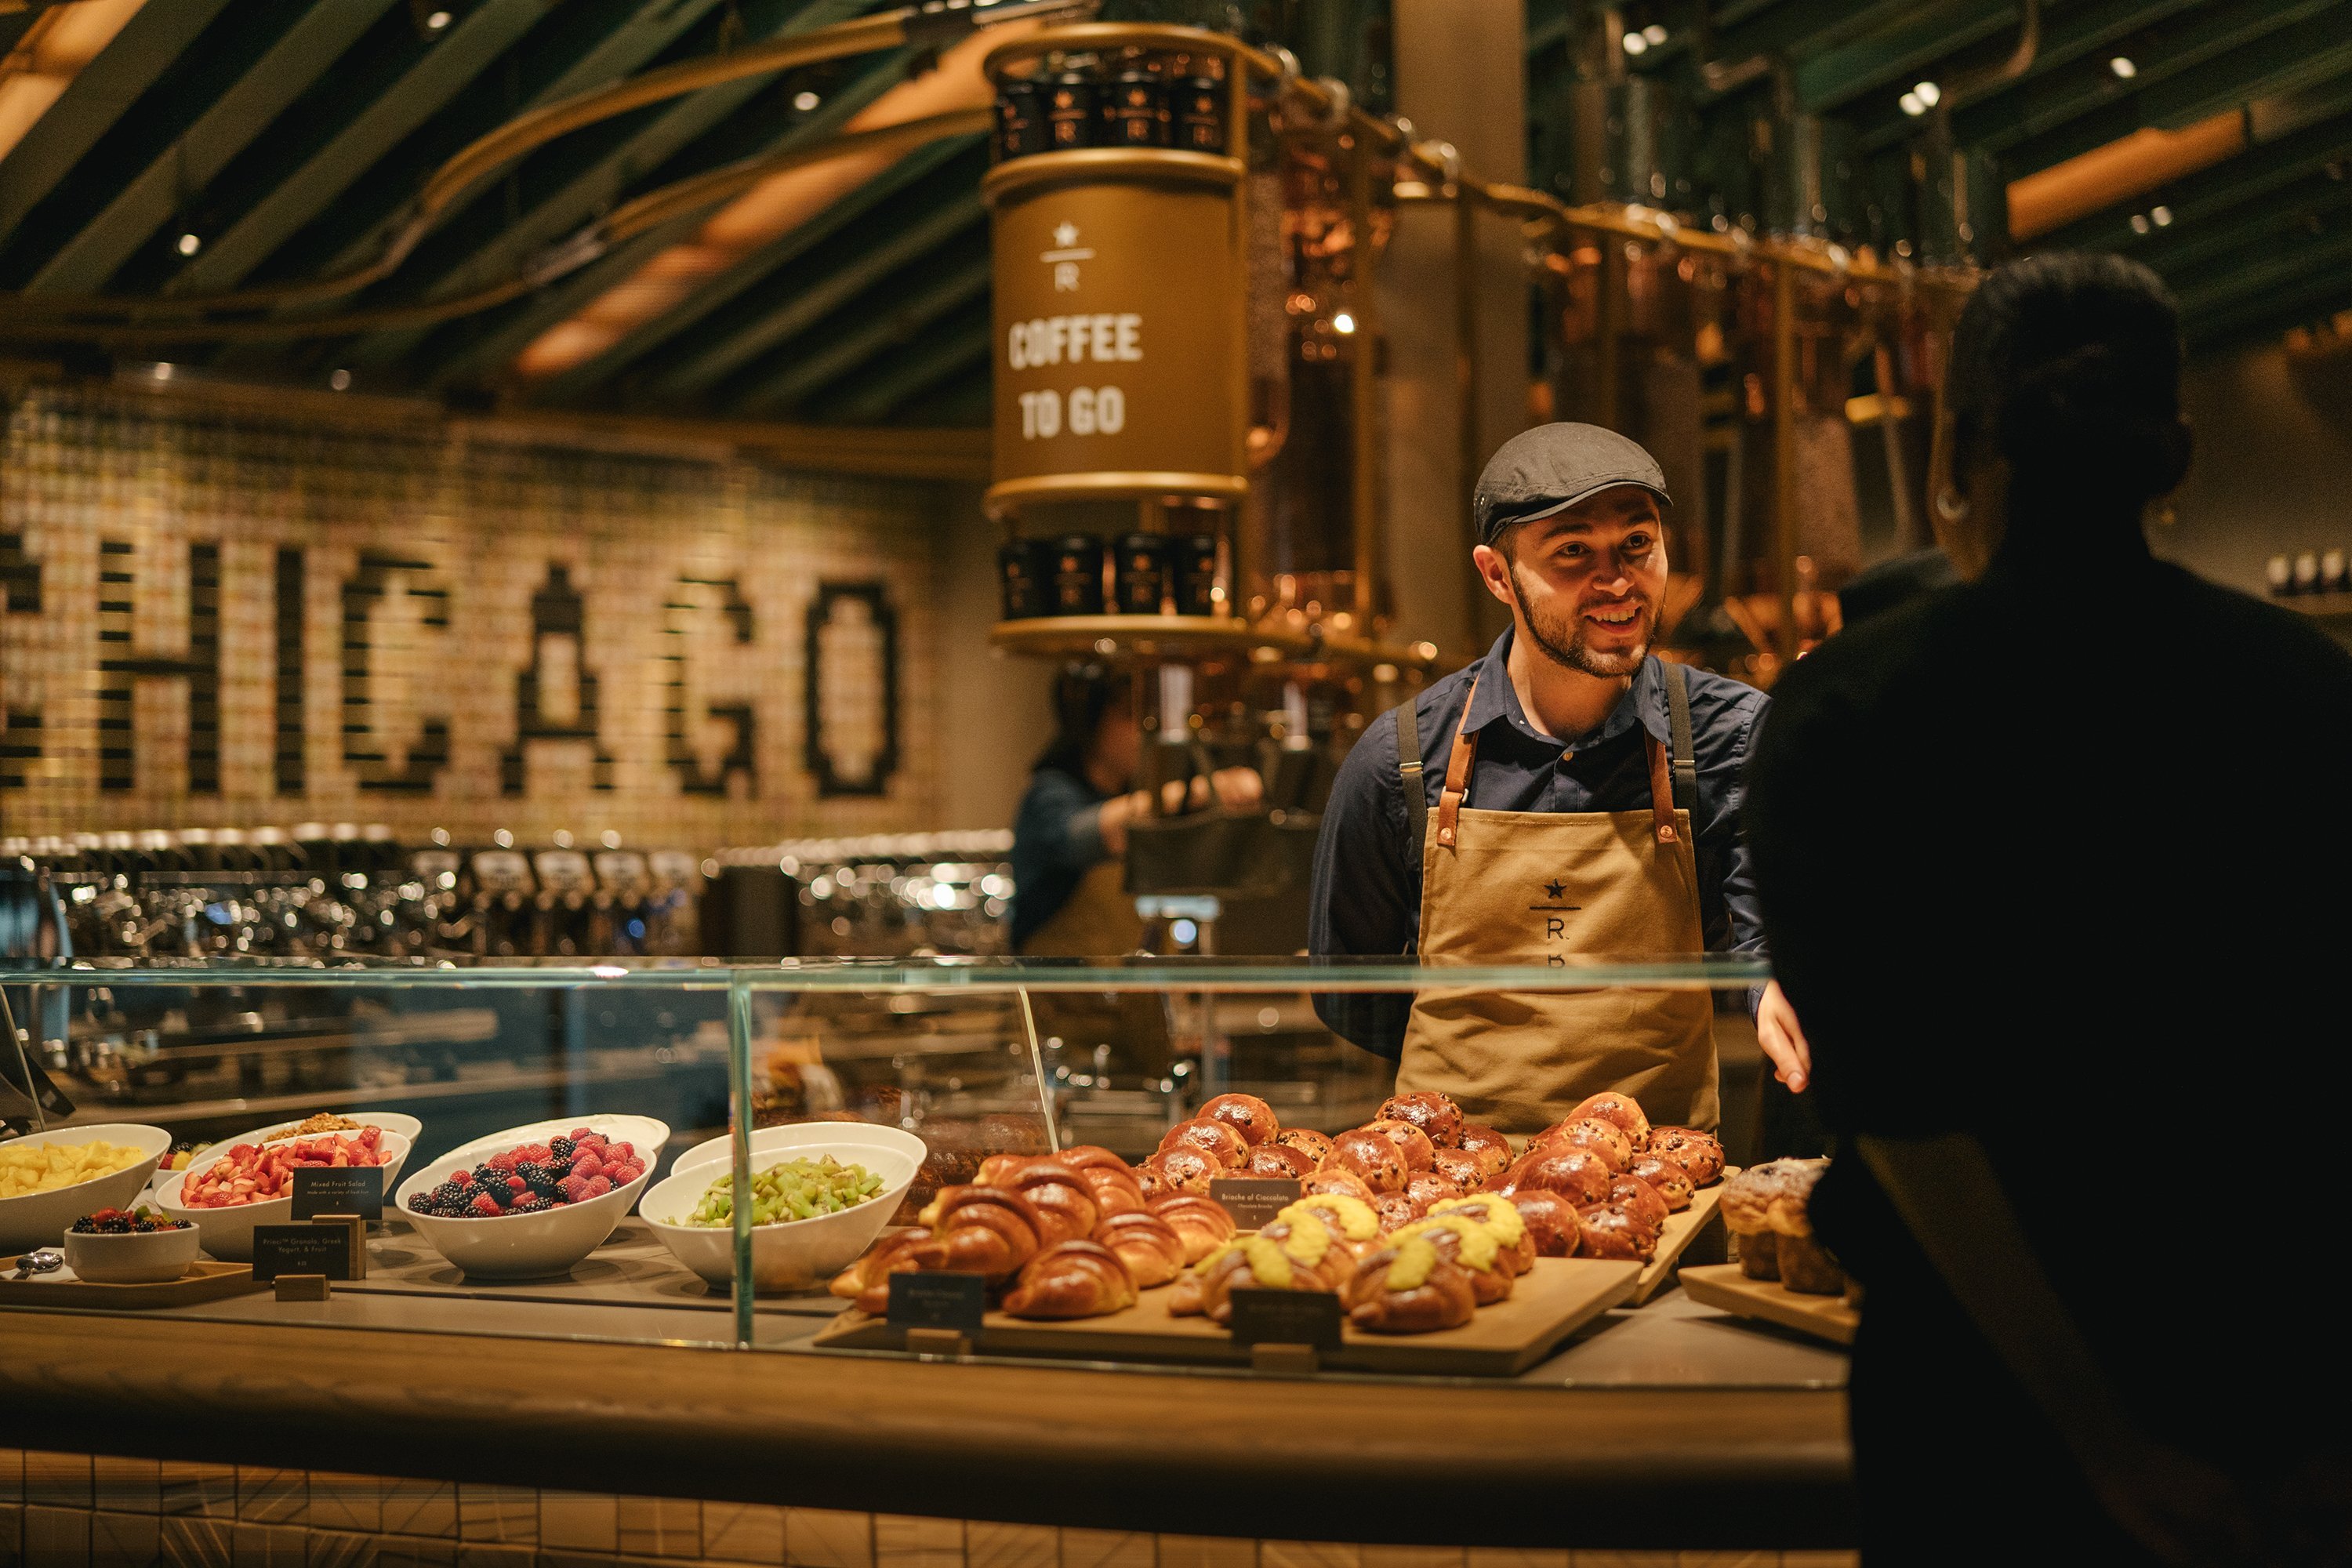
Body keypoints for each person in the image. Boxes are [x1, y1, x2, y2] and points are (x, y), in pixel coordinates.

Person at [1745, 252, 2352, 1562]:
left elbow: (1911, 1117)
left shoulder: (1848, 713)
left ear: (1957, 455)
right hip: (2270, 1392)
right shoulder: (2311, 695)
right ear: (2175, 457)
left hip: (1976, 1417)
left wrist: (2103, 1444)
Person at [1308, 423, 1809, 1133]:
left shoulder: (1730, 736)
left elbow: (1768, 938)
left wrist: (1774, 991)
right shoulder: (1403, 758)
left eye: (1638, 544)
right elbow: (1349, 992)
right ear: (1496, 575)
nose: (1617, 581)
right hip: (1451, 1189)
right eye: (1574, 553)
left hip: (1657, 1175)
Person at [1011, 664, 1260, 956]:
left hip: (1123, 987)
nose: (1143, 732)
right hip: (1060, 993)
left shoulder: (1129, 794)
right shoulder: (1049, 795)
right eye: (1131, 716)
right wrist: (1204, 789)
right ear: (1092, 721)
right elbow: (1091, 834)